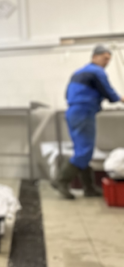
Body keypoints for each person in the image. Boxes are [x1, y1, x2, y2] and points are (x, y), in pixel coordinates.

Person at [52, 45, 121, 199]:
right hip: (84, 112)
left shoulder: (79, 72)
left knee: (83, 151)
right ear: (94, 57)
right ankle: (61, 181)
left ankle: (89, 189)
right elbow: (109, 92)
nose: (107, 62)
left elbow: (67, 94)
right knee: (84, 151)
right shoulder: (97, 71)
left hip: (73, 112)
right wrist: (121, 99)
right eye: (105, 58)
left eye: (109, 59)